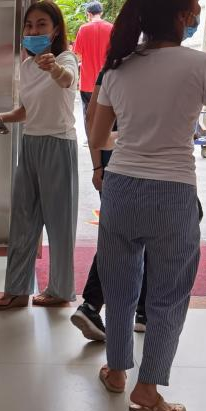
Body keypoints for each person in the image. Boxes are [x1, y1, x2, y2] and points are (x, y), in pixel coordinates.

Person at [89, 0, 206, 411]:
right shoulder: (201, 66)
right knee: (167, 296)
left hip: (120, 188)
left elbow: (98, 135)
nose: (197, 16)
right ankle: (148, 390)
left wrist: (118, 150)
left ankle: (116, 370)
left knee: (119, 288)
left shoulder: (118, 65)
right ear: (183, 16)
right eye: (196, 9)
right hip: (173, 193)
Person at [0, 0, 79, 309]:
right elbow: (27, 109)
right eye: (29, 26)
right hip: (30, 144)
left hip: (58, 144)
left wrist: (53, 67)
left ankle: (61, 290)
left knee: (59, 222)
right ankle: (16, 289)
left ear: (55, 30)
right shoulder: (27, 66)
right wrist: (4, 117)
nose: (33, 30)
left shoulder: (66, 59)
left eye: (42, 24)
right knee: (22, 220)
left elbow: (67, 79)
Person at [70, 69, 149, 341]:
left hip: (113, 165)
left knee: (116, 237)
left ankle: (93, 306)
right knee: (146, 234)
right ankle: (141, 312)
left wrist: (97, 166)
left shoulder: (110, 71)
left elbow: (92, 120)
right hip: (148, 168)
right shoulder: (163, 68)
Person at [73, 1, 113, 119]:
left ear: (89, 14)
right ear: (101, 13)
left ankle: (90, 132)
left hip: (87, 82)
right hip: (107, 81)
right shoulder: (111, 28)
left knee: (89, 115)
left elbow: (78, 55)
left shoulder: (83, 29)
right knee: (107, 117)